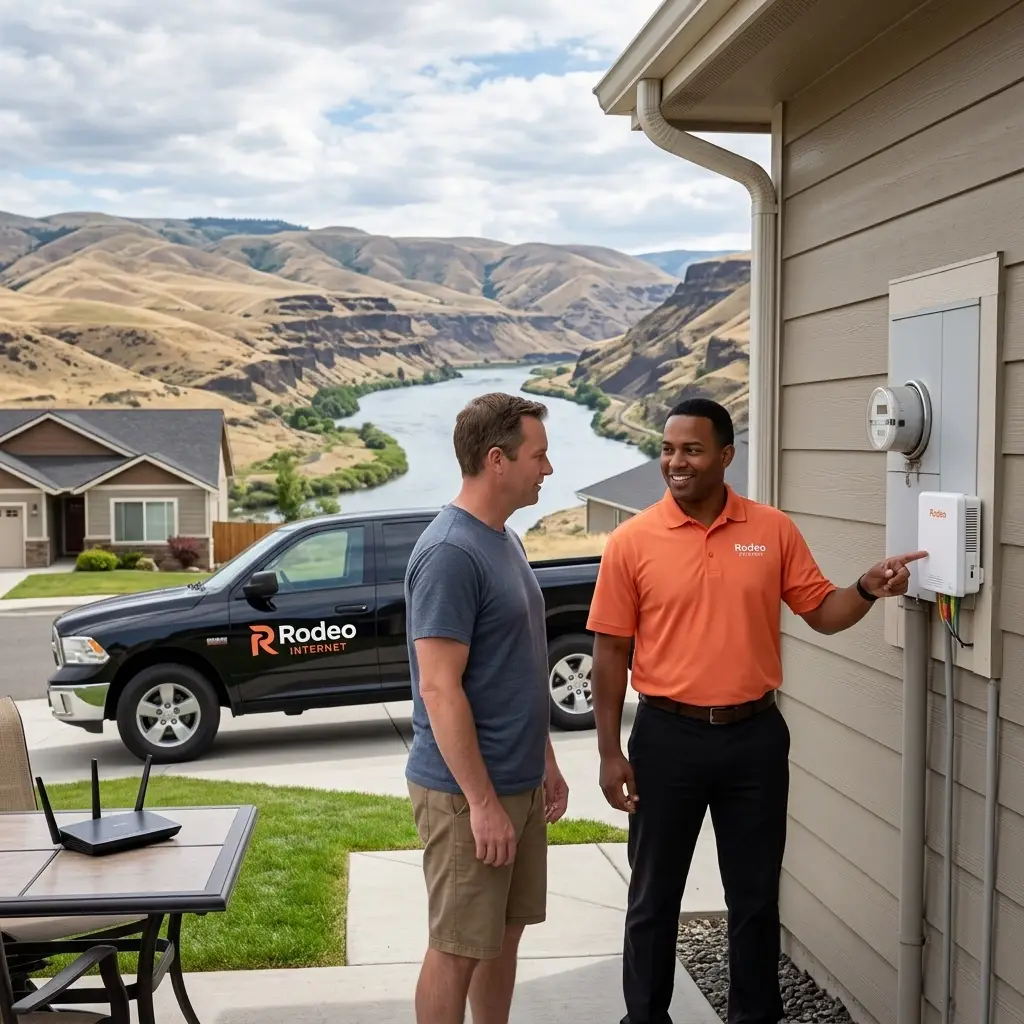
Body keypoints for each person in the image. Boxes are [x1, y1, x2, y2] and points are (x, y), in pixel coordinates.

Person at [587, 397, 925, 1024]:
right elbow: (609, 653)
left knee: (755, 899)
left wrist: (866, 588)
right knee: (654, 897)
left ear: (725, 456)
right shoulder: (631, 541)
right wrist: (610, 752)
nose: (675, 462)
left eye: (691, 450)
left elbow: (822, 612)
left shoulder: (772, 530)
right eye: (667, 449)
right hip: (666, 739)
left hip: (755, 740)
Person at [404, 391, 571, 1024]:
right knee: (457, 947)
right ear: (497, 459)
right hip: (466, 793)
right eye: (538, 456)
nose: (548, 469)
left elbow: (518, 665)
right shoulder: (450, 553)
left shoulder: (506, 540)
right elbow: (440, 689)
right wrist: (481, 803)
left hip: (517, 781)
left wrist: (544, 758)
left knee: (503, 934)